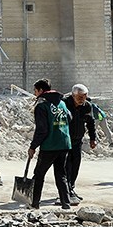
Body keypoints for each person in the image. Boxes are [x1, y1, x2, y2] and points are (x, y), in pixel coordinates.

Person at [29, 78, 72, 209]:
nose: (35, 93)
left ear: (41, 90)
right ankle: (66, 203)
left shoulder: (42, 106)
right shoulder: (62, 103)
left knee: (39, 174)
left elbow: (42, 130)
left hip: (50, 145)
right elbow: (69, 117)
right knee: (61, 174)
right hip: (64, 144)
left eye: (35, 91)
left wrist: (33, 146)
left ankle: (35, 203)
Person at [63, 84, 97, 203]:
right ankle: (66, 190)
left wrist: (93, 138)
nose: (82, 100)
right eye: (80, 97)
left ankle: (71, 188)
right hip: (65, 141)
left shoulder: (87, 106)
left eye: (84, 96)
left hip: (77, 140)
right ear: (73, 95)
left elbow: (91, 123)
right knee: (66, 166)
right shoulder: (64, 104)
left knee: (75, 164)